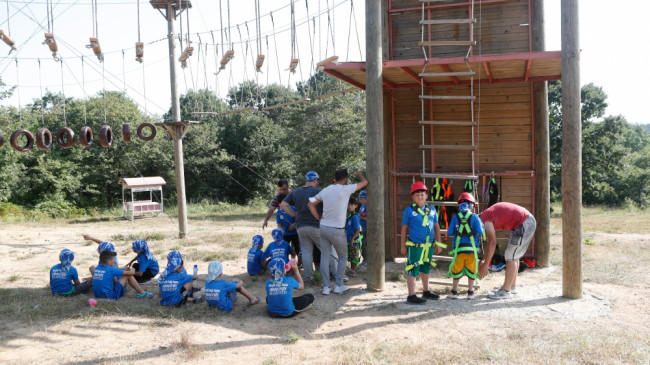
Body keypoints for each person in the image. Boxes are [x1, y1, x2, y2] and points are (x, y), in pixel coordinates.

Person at [308, 169, 368, 295]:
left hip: (323, 228)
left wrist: (318, 217)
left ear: (334, 178)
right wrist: (359, 175)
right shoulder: (346, 189)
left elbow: (310, 204)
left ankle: (326, 287)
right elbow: (365, 182)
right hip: (337, 230)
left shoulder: (326, 190)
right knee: (342, 257)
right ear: (345, 179)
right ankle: (338, 285)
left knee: (325, 256)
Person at [479, 202, 537, 299]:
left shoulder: (485, 219)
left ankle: (505, 291)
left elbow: (492, 242)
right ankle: (511, 286)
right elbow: (489, 243)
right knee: (514, 256)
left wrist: (485, 265)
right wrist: (484, 260)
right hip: (524, 221)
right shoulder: (486, 216)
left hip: (524, 222)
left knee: (510, 256)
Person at [279, 171, 327, 282]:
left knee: (306, 251)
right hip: (315, 225)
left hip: (300, 226)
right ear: (315, 180)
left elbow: (283, 204)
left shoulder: (296, 192)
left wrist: (294, 214)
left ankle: (308, 277)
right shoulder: (319, 191)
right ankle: (329, 274)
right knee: (326, 250)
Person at [400, 181, 443, 305]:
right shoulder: (409, 211)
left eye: (422, 194)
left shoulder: (432, 209)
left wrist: (438, 242)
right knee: (413, 268)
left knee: (426, 267)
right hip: (415, 246)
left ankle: (426, 291)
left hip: (428, 245)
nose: (420, 197)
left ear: (426, 196)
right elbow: (404, 229)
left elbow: (436, 226)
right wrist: (403, 246)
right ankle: (411, 295)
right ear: (413, 197)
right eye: (417, 194)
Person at [446, 193, 485, 300]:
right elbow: (481, 231)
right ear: (472, 206)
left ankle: (454, 292)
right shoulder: (475, 217)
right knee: (472, 270)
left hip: (459, 250)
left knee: (456, 269)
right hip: (472, 250)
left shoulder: (455, 218)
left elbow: (449, 232)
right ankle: (470, 293)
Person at [345, 197, 362, 274]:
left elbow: (357, 229)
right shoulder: (349, 217)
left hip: (354, 241)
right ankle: (352, 270)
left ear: (356, 206)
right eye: (348, 205)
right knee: (351, 256)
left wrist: (353, 238)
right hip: (349, 240)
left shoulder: (355, 217)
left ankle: (353, 271)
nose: (350, 206)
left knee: (354, 256)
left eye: (352, 205)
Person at [358, 190, 368, 265]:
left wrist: (360, 217)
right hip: (362, 227)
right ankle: (365, 259)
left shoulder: (368, 206)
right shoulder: (362, 206)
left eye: (361, 199)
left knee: (365, 244)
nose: (360, 200)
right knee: (362, 243)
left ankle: (366, 259)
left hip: (366, 227)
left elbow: (369, 218)